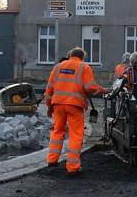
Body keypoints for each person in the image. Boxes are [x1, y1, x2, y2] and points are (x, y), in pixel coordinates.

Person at [44, 47, 108, 175]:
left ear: (70, 55)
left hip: (58, 105)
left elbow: (49, 90)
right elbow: (89, 87)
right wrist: (102, 90)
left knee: (57, 132)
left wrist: (49, 107)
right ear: (82, 57)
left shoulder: (58, 67)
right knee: (76, 134)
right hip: (75, 105)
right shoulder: (84, 67)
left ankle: (52, 160)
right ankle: (72, 167)